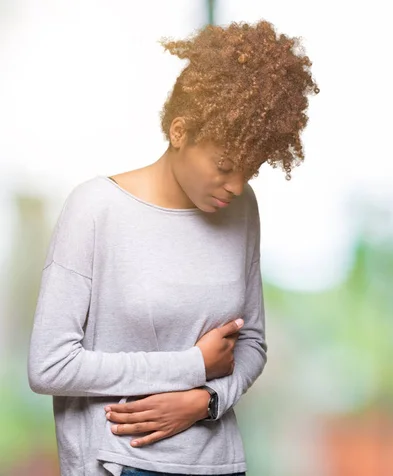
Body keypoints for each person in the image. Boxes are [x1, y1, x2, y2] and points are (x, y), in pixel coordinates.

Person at [27, 19, 319, 476]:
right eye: (224, 165)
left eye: (251, 169)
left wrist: (206, 401)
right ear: (180, 132)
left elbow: (253, 342)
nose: (237, 185)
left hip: (219, 464)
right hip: (118, 462)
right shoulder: (95, 209)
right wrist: (190, 365)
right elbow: (50, 366)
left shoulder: (241, 209)